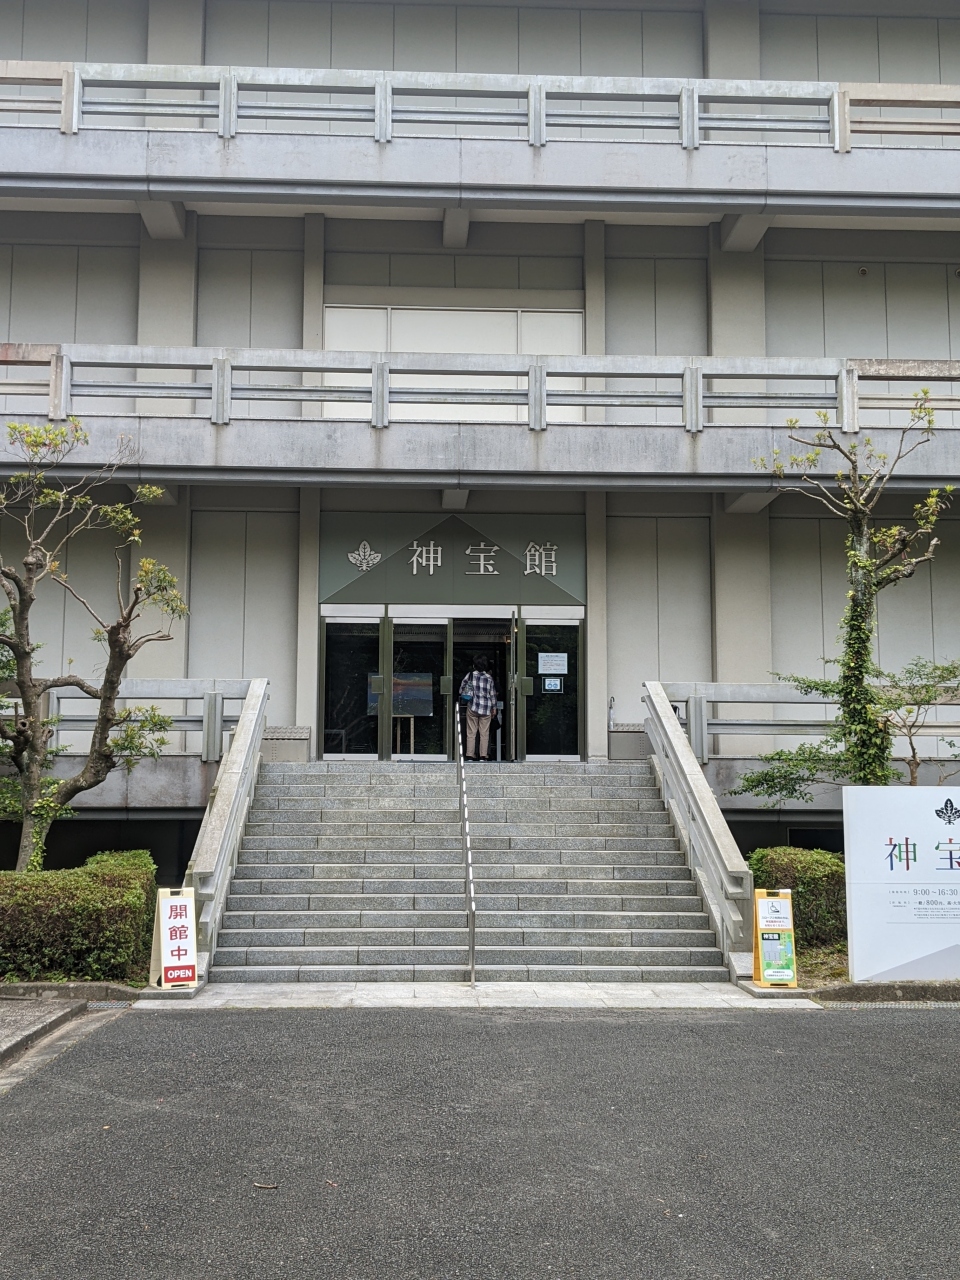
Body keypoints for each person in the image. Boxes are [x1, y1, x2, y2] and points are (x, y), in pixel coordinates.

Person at [460, 654, 497, 761]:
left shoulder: (470, 675)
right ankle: (483, 756)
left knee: (471, 732)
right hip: (486, 708)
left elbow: (461, 689)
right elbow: (492, 694)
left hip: (473, 706)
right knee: (484, 733)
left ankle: (470, 755)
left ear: (474, 665)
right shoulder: (489, 678)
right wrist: (494, 708)